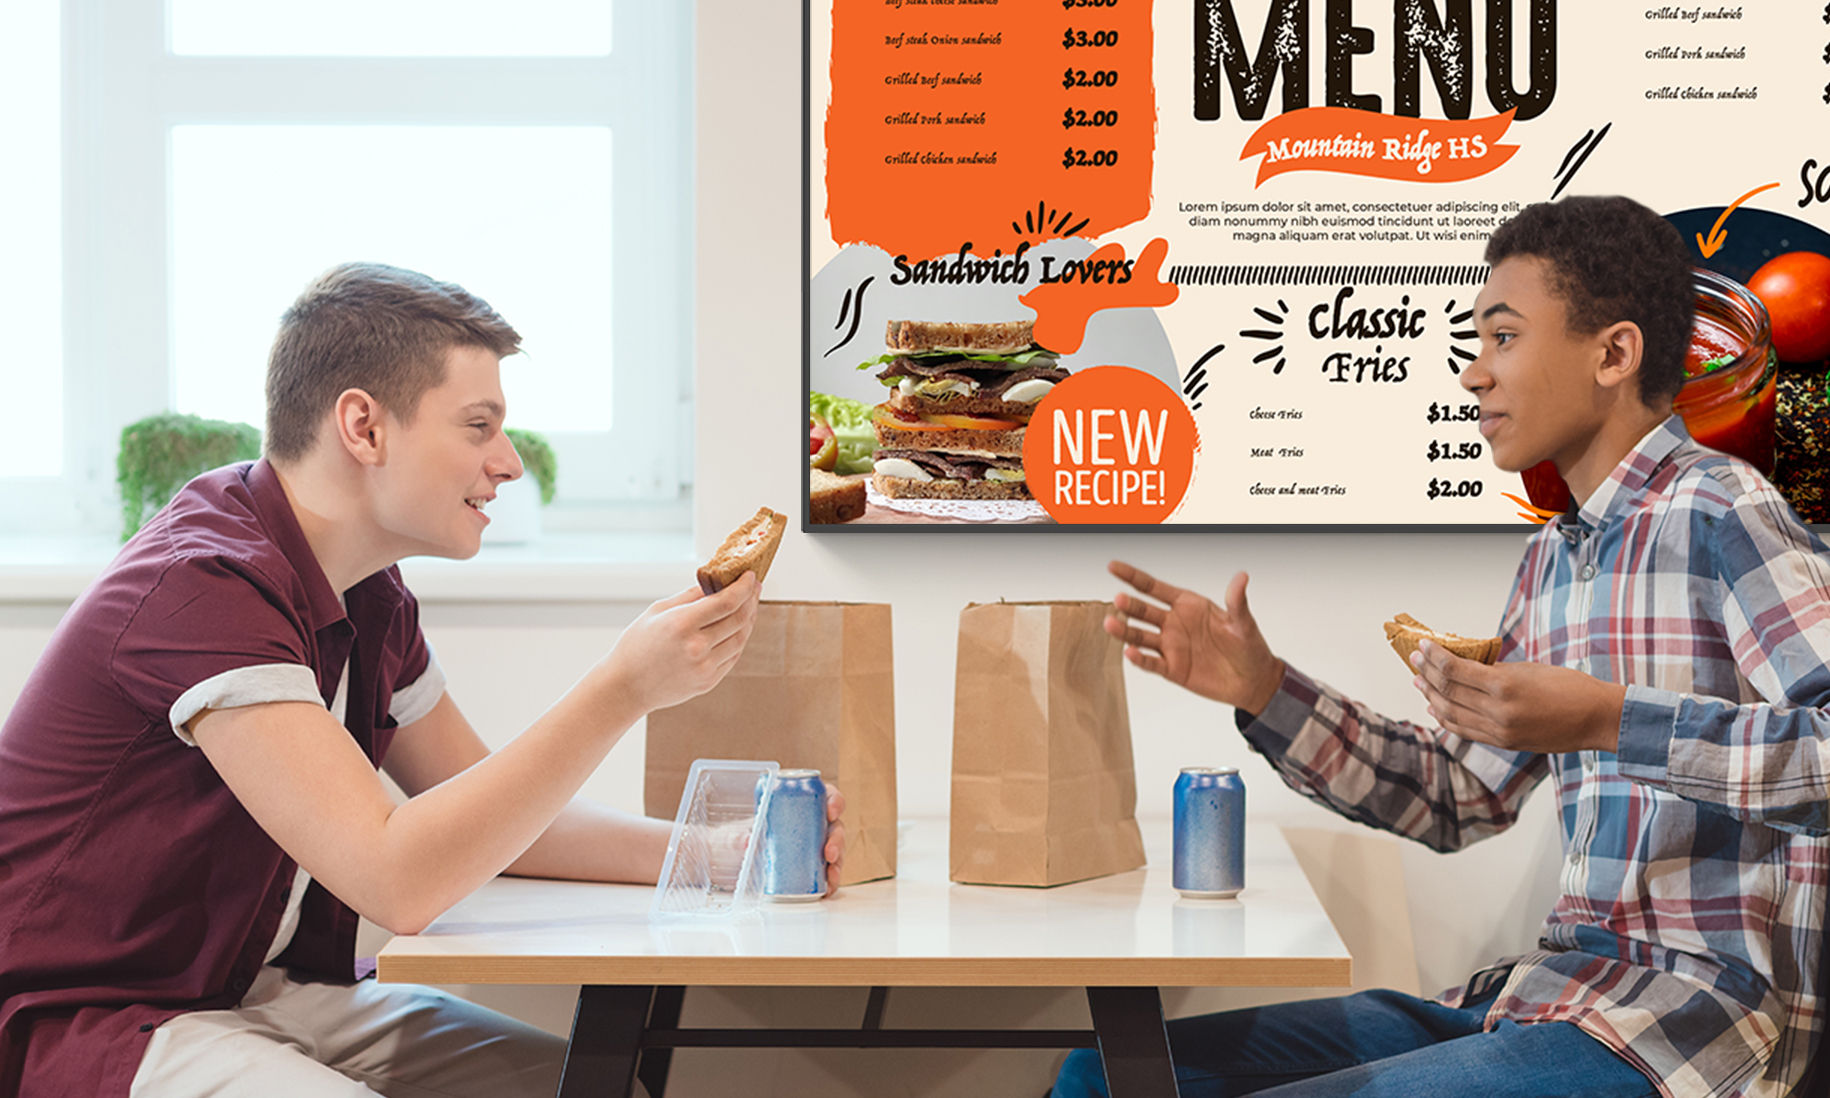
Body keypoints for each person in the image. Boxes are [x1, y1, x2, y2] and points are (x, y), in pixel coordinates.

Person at [0, 262, 845, 1097]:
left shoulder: (369, 594)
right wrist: (621, 688)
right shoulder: (205, 588)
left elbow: (504, 817)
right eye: (478, 426)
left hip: (248, 990)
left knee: (583, 1085)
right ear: (363, 428)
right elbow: (397, 879)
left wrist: (722, 851)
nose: (509, 463)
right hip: (87, 1018)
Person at [1057, 196, 1827, 1098]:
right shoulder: (1553, 559)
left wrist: (1614, 721)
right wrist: (1266, 690)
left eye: (1503, 338)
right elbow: (1458, 796)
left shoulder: (1724, 508)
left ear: (1614, 354)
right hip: (1548, 995)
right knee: (1106, 1073)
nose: (1473, 374)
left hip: (1690, 1021)